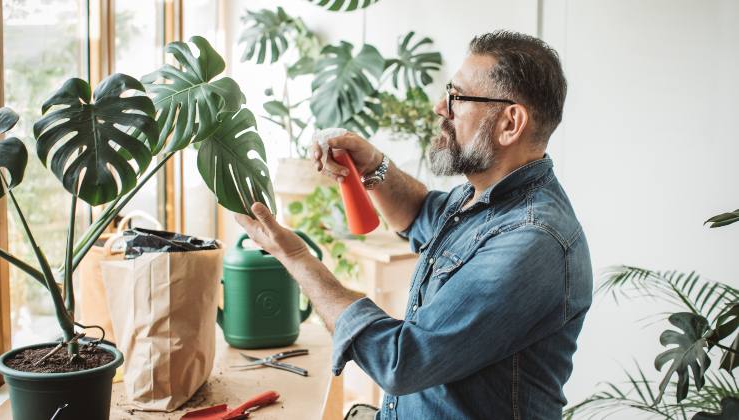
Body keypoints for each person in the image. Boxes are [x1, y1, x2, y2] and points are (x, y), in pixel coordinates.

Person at [235, 30, 592, 420]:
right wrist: (374, 165)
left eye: (458, 97)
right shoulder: (480, 197)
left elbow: (401, 361)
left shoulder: (531, 241)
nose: (441, 107)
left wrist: (295, 256)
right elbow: (420, 213)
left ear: (510, 123)